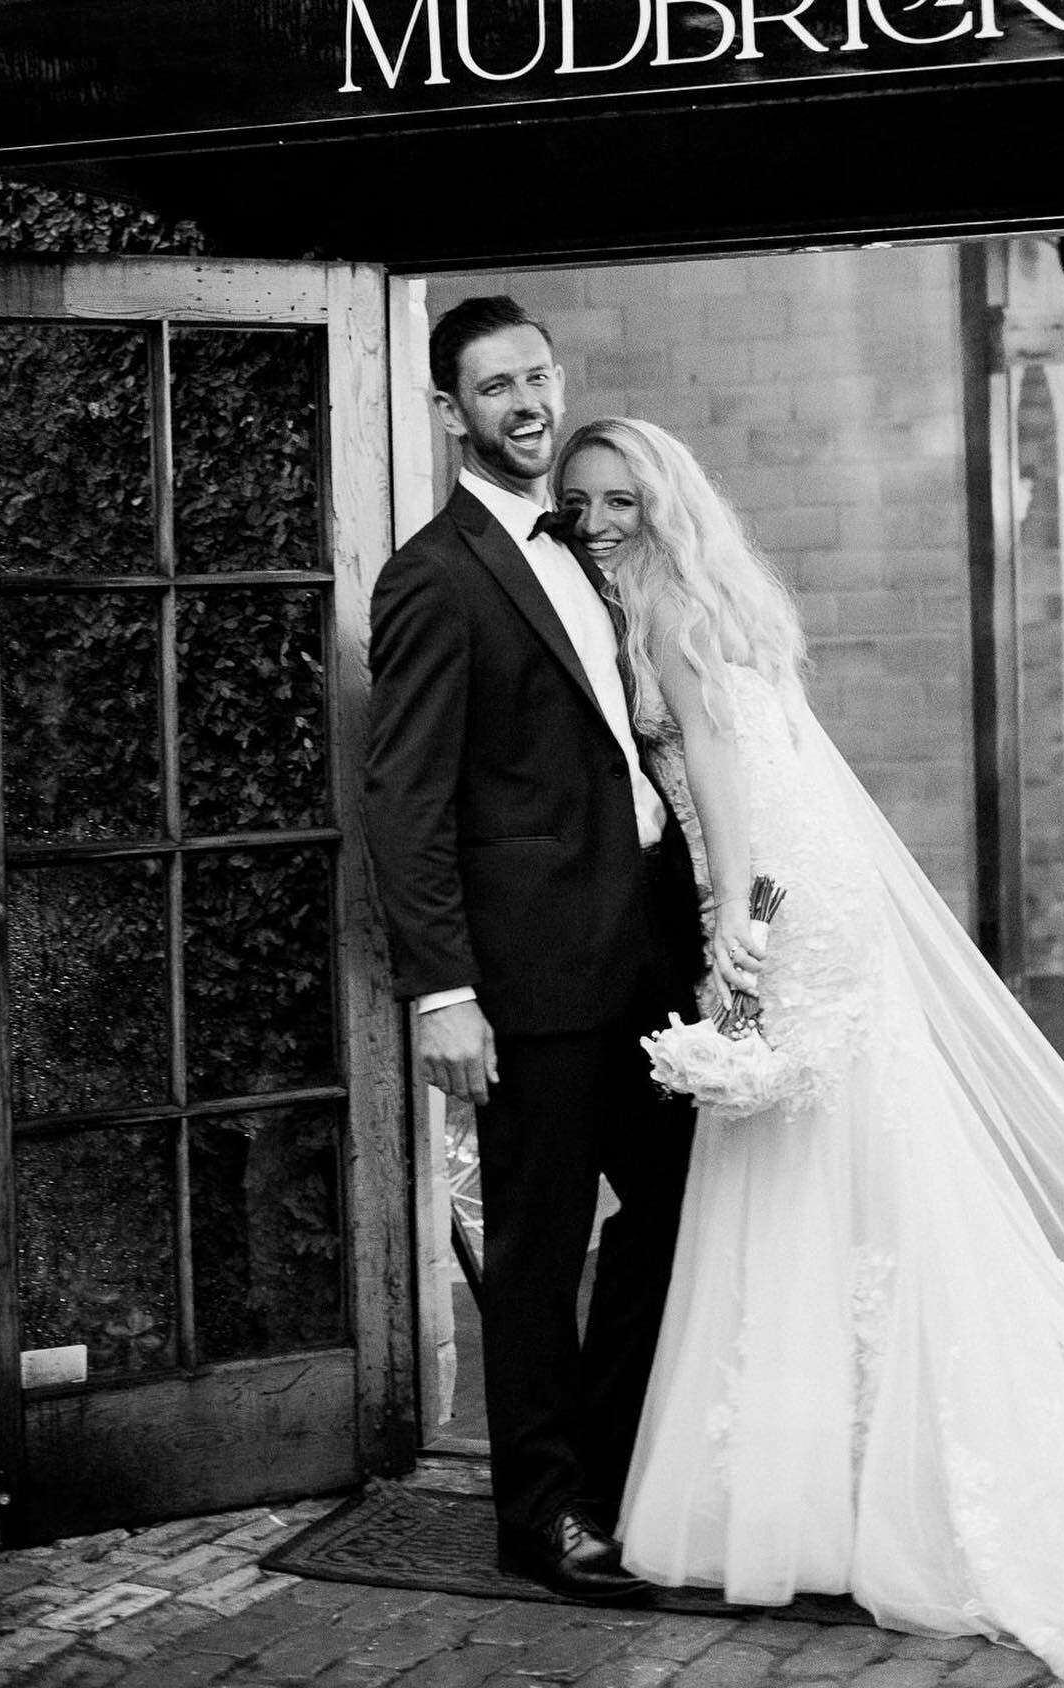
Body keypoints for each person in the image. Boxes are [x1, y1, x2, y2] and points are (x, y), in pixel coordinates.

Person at [552, 416, 1064, 1687]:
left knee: (792, 1175)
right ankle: (871, 1452)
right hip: (826, 905)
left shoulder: (668, 626)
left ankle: (826, 1482)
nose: (596, 523)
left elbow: (741, 816)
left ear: (664, 507)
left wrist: (732, 966)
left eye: (620, 502)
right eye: (581, 504)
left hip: (782, 917)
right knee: (857, 1175)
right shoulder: (726, 602)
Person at [363, 303, 713, 1604]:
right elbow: (404, 798)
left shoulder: (589, 541)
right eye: (494, 386)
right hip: (528, 989)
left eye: (537, 376)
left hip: (644, 966)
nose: (525, 401)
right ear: (451, 411)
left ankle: (609, 1477)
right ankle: (543, 1516)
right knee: (533, 1252)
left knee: (678, 1210)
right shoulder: (435, 573)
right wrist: (443, 990)